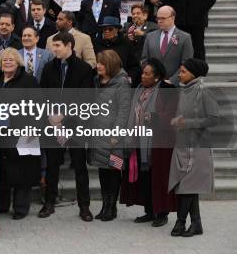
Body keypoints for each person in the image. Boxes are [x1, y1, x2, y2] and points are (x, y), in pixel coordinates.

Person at [38, 32, 95, 221]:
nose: (54, 49)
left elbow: (85, 98)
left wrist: (64, 116)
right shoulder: (48, 68)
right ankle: (49, 203)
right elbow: (43, 95)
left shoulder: (84, 69)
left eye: (57, 46)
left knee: (80, 166)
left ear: (69, 46)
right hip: (52, 125)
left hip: (75, 124)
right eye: (53, 46)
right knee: (52, 166)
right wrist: (51, 116)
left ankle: (84, 206)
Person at [121, 58, 177, 227]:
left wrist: (155, 117)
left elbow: (173, 114)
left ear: (157, 76)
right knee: (144, 177)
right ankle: (149, 210)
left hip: (159, 142)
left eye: (147, 73)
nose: (142, 76)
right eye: (143, 72)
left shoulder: (168, 90)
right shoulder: (138, 90)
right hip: (139, 140)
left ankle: (162, 212)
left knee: (159, 177)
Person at [168, 58, 218, 237]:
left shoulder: (204, 91)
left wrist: (187, 123)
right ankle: (196, 224)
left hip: (198, 147)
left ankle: (180, 223)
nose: (179, 74)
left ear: (194, 74)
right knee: (186, 186)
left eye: (183, 71)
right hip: (183, 145)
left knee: (188, 186)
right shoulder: (184, 90)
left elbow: (213, 119)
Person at [0, 47, 40, 220]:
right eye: (5, 60)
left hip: (22, 131)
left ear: (18, 62)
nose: (8, 62)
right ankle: (1, 205)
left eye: (11, 60)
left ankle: (20, 208)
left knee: (21, 171)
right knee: (1, 171)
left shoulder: (28, 80)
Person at [88, 50, 131, 221]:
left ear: (111, 65)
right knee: (103, 171)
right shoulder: (97, 81)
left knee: (114, 170)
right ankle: (105, 206)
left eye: (102, 63)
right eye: (98, 62)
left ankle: (112, 208)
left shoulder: (122, 82)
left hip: (114, 138)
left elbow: (124, 110)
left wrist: (116, 133)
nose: (98, 66)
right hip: (98, 134)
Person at [141, 6, 194, 85]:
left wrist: (172, 81)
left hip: (174, 85)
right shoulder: (150, 36)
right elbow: (144, 59)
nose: (159, 21)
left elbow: (186, 63)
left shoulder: (185, 37)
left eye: (163, 18)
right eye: (158, 18)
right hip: (153, 84)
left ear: (172, 18)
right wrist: (151, 77)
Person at [93, 16, 141, 85]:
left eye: (110, 29)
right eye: (104, 29)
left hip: (121, 82)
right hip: (102, 82)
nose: (106, 31)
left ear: (117, 30)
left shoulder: (126, 43)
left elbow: (134, 66)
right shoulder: (96, 43)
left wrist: (130, 78)